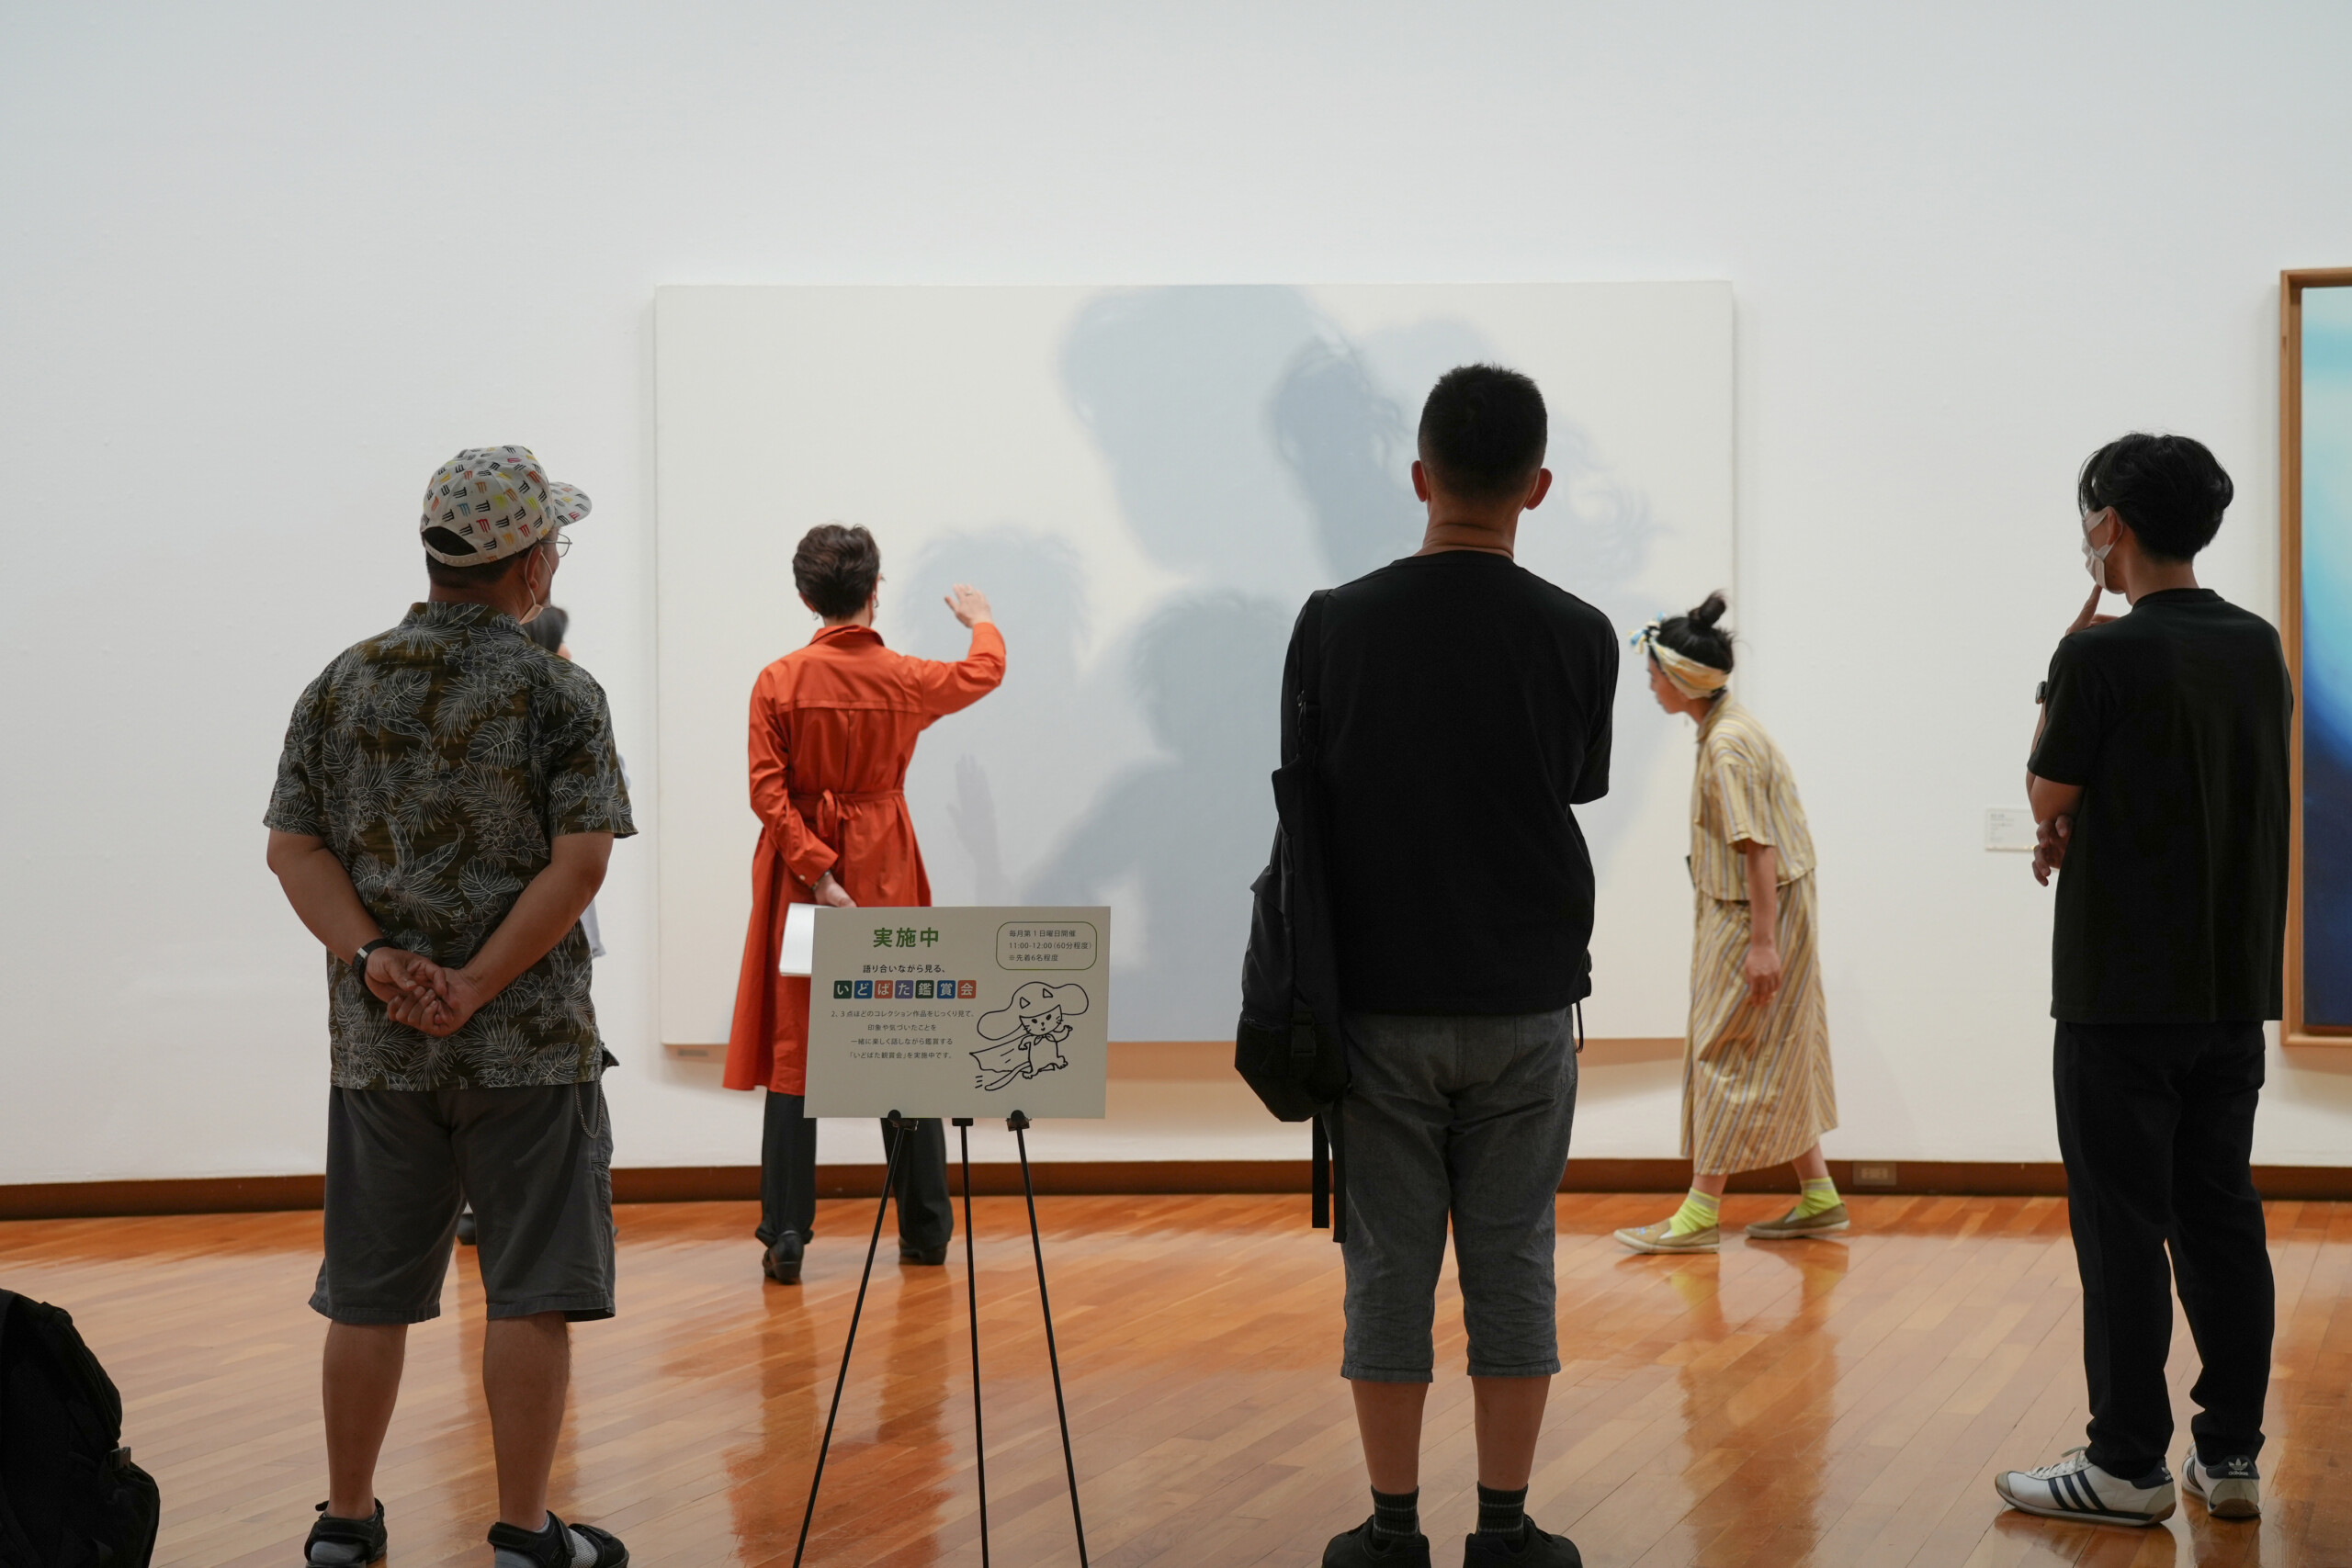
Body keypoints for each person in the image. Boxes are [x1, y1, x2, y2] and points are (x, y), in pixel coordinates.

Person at [264, 446, 635, 1568]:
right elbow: (578, 866)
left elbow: (293, 851)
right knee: (529, 1293)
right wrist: (475, 986)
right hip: (527, 1048)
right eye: (556, 543)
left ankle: (344, 1520)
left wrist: (378, 958)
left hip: (381, 1050)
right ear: (530, 564)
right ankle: (524, 1532)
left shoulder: (342, 682)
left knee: (366, 1295)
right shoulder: (558, 692)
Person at [1296, 365, 1612, 1568]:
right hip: (1526, 996)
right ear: (1538, 486)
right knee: (1513, 1254)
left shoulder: (1336, 621)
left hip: (1376, 1000)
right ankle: (1504, 1526)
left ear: (1421, 476)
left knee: (1386, 1262)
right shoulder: (1579, 633)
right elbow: (1575, 781)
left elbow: (1306, 787)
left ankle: (1389, 1529)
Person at [1993, 434, 2288, 1529]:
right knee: (2220, 1216)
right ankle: (2231, 1456)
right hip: (2229, 985)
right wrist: (2082, 813)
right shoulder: (2254, 645)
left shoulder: (2098, 656)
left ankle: (2123, 1463)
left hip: (2118, 993)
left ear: (2108, 523)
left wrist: (2061, 672)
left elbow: (2044, 792)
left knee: (2119, 1227)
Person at [723, 524, 1004, 1285]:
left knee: (797, 1041)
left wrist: (817, 871)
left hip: (800, 873)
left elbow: (766, 793)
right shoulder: (904, 679)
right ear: (874, 590)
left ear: (805, 596)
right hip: (885, 865)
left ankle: (787, 1231)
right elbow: (984, 671)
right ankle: (927, 1229)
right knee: (904, 1035)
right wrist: (979, 617)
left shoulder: (778, 680)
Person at [1613, 594, 1843, 1254]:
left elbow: (1757, 846)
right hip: (1760, 907)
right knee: (1775, 1044)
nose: (1650, 684)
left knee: (1720, 1050)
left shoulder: (1727, 745)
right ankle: (1819, 1194)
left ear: (1684, 679)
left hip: (1754, 914)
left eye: (1655, 673)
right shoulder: (1726, 728)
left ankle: (1700, 1211)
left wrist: (1762, 944)